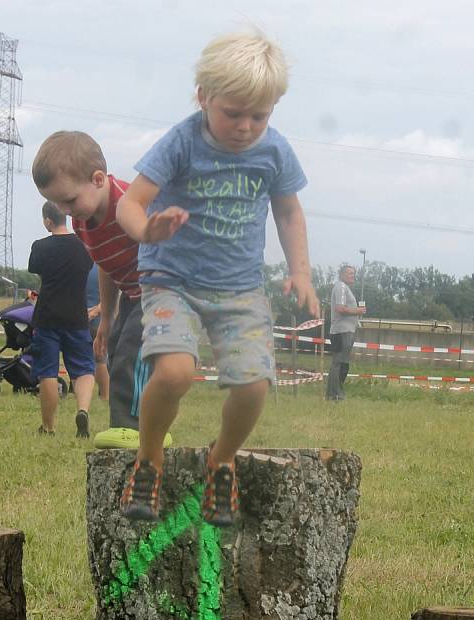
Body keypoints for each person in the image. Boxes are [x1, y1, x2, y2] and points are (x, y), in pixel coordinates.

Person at [115, 28, 320, 527]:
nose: (247, 126)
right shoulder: (182, 141)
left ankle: (222, 458)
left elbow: (289, 212)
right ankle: (149, 457)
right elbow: (129, 202)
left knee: (254, 384)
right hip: (172, 279)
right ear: (203, 97)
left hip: (240, 288)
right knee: (175, 372)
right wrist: (149, 230)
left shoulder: (274, 151)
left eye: (260, 115)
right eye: (234, 113)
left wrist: (301, 272)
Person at [31, 132, 171, 449]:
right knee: (117, 347)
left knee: (132, 353)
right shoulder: (83, 220)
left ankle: (132, 430)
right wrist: (107, 319)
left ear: (97, 180)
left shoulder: (129, 204)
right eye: (58, 204)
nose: (66, 211)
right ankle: (145, 425)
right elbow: (107, 266)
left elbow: (169, 247)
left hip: (164, 288)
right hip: (135, 295)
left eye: (69, 200)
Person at [27, 201, 95, 437]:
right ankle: (83, 410)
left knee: (47, 371)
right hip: (77, 315)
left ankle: (48, 427)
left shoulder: (41, 247)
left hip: (48, 317)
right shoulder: (84, 247)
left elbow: (37, 270)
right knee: (84, 368)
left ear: (48, 220)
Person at [326, 264, 366, 401]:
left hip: (347, 330)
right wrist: (358, 311)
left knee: (342, 363)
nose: (353, 276)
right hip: (342, 332)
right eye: (350, 273)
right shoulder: (341, 287)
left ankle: (336, 393)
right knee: (339, 363)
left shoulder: (345, 288)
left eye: (353, 273)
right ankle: (334, 394)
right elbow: (340, 308)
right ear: (342, 274)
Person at [85, 263, 110, 400]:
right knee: (101, 359)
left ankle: (77, 391)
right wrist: (95, 311)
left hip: (79, 316)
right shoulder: (102, 265)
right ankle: (105, 395)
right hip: (99, 318)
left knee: (79, 357)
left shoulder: (80, 263)